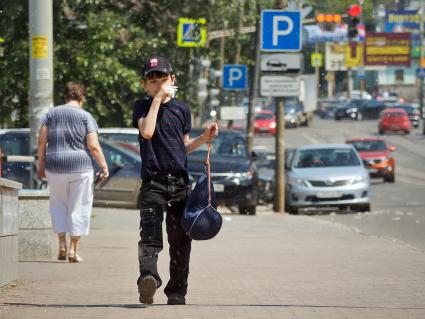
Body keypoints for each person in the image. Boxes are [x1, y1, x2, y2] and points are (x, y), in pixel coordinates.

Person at [132, 56, 218, 305]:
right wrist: (157, 100)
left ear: (173, 80)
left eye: (163, 80)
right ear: (145, 85)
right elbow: (147, 132)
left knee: (180, 239)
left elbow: (183, 148)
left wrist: (204, 137)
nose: (159, 85)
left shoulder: (182, 109)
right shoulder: (141, 107)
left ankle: (177, 291)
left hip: (179, 183)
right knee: (150, 234)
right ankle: (147, 278)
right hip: (153, 183)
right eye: (153, 82)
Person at [37, 81, 109, 263]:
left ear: (65, 97)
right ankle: (73, 250)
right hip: (80, 167)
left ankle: (61, 244)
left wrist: (41, 165)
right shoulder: (86, 117)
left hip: (55, 166)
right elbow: (93, 146)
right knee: (79, 207)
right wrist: (103, 166)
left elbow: (41, 141)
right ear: (81, 98)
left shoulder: (51, 114)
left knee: (58, 204)